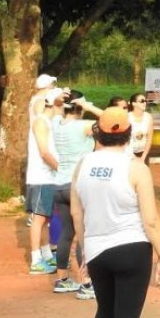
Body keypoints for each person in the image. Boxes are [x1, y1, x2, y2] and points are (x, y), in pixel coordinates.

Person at [71, 106, 160, 318]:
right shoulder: (136, 167)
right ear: (129, 134)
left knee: (105, 312)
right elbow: (151, 220)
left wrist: (84, 248)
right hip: (131, 248)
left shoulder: (83, 163)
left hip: (97, 249)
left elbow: (77, 212)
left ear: (98, 132)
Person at [51, 92, 101, 298]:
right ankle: (86, 282)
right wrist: (89, 106)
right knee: (83, 234)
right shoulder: (84, 126)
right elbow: (113, 119)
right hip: (78, 185)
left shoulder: (56, 123)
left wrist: (58, 101)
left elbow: (54, 108)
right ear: (79, 108)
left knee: (66, 233)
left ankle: (62, 279)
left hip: (58, 184)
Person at [26, 88, 61, 274]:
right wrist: (61, 169)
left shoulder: (48, 122)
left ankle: (46, 254)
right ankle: (36, 260)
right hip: (41, 177)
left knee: (46, 217)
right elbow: (44, 152)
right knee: (38, 218)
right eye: (62, 103)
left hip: (48, 177)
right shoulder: (41, 122)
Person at [128, 92, 154, 165]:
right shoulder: (127, 117)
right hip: (129, 153)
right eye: (142, 101)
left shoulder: (148, 117)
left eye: (145, 101)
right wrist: (132, 156)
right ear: (134, 103)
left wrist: (143, 157)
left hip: (143, 152)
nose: (144, 103)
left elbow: (149, 139)